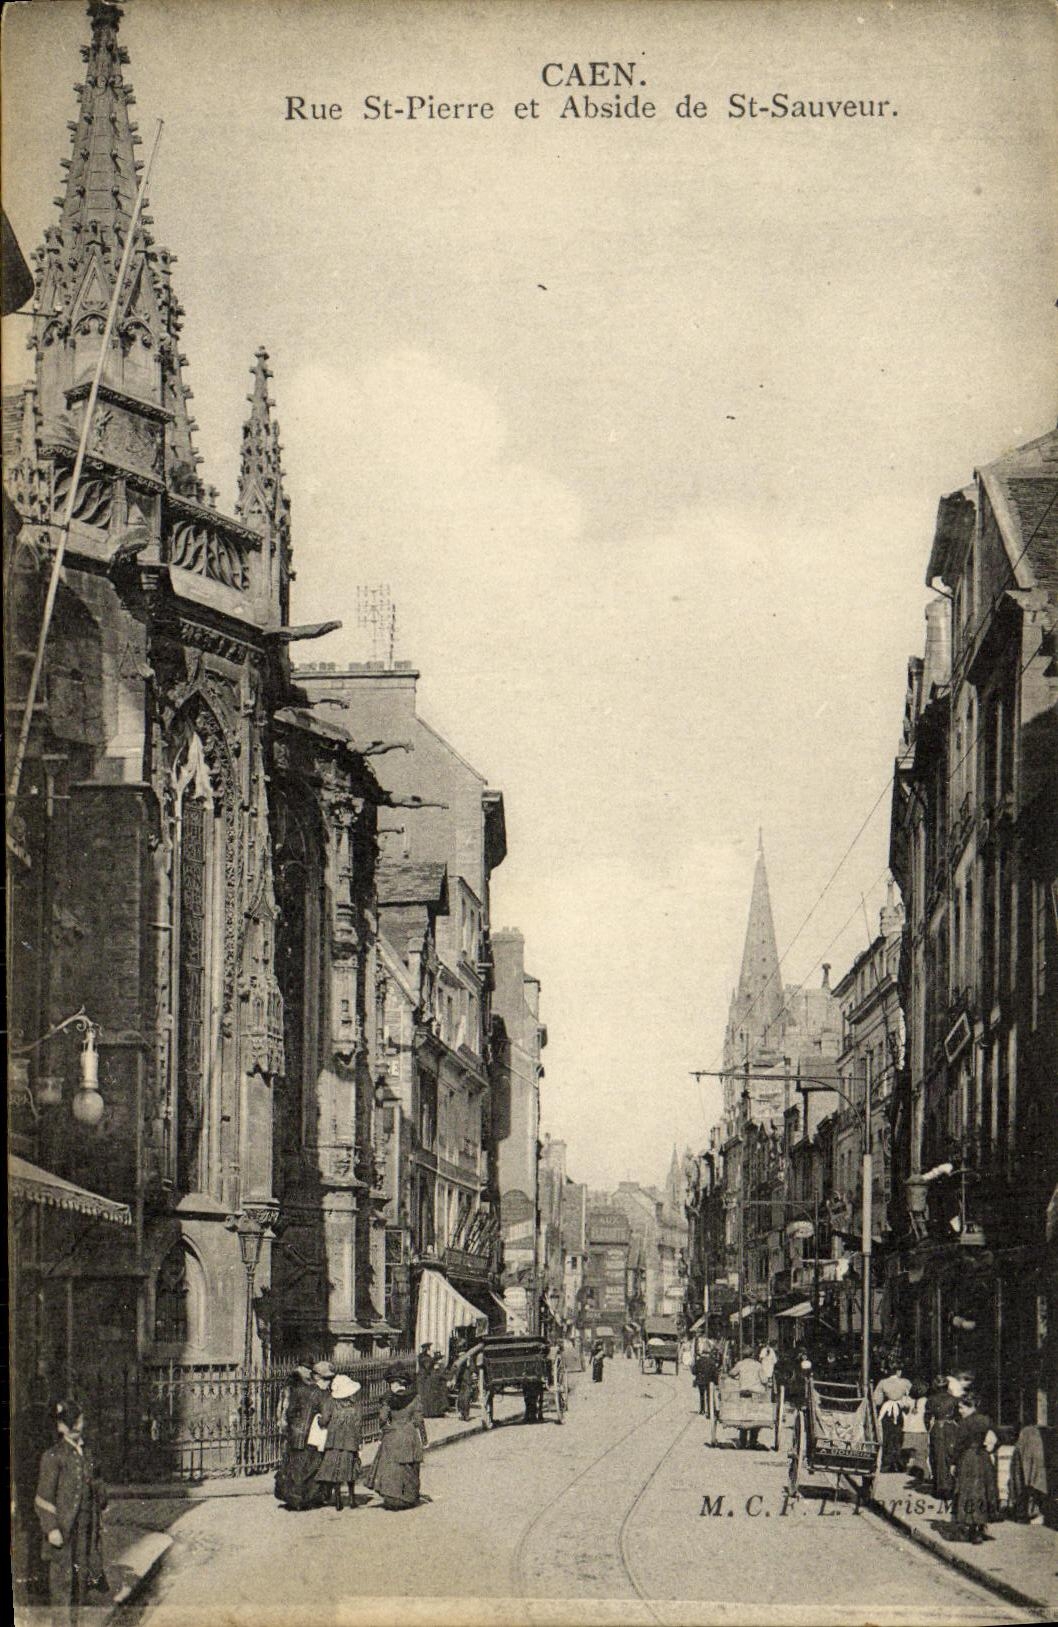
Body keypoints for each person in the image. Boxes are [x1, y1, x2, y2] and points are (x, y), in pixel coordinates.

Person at [35, 1398, 108, 1627]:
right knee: (62, 1584)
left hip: (84, 1530)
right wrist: (51, 1528)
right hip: (63, 1530)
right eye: (74, 1421)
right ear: (65, 1427)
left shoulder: (87, 1454)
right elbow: (43, 1498)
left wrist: (100, 1495)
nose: (78, 1425)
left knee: (79, 1582)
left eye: (78, 1421)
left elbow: (97, 1485)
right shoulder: (53, 1456)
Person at [366, 1367, 427, 1511]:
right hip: (409, 1434)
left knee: (391, 1467)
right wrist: (424, 1438)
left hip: (393, 1434)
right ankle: (409, 1496)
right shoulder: (415, 1398)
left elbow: (382, 1418)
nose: (391, 1386)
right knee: (409, 1466)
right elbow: (419, 1419)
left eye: (392, 1383)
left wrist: (385, 1427)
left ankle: (392, 1497)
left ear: (397, 1384)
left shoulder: (388, 1399)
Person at [950, 1392, 1000, 1544]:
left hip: (968, 1460)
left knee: (969, 1492)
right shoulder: (986, 1420)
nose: (960, 1411)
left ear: (970, 1406)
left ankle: (972, 1530)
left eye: (962, 1407)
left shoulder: (964, 1423)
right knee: (984, 1491)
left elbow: (959, 1445)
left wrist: (953, 1463)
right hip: (983, 1458)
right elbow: (999, 1438)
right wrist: (990, 1448)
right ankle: (981, 1527)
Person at [315, 1375, 363, 1511]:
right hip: (350, 1441)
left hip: (334, 1441)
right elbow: (358, 1425)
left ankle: (338, 1501)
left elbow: (324, 1420)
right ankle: (352, 1499)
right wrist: (359, 1442)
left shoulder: (330, 1402)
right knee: (350, 1470)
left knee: (335, 1471)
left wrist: (319, 1421)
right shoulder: (355, 1405)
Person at [873, 1357, 912, 1473]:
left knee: (887, 1436)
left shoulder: (883, 1383)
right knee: (899, 1436)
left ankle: (887, 1463)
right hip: (900, 1411)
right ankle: (899, 1463)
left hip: (887, 1411)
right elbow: (912, 1396)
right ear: (898, 1371)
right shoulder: (905, 1382)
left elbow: (877, 1400)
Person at [925, 1375, 960, 1507]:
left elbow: (927, 1417)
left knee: (936, 1456)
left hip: (937, 1428)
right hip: (951, 1428)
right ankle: (950, 1487)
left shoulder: (931, 1400)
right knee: (950, 1455)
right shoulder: (954, 1400)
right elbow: (958, 1416)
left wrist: (930, 1428)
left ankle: (939, 1487)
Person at [693, 1344, 718, 1417]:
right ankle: (709, 1411)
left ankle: (702, 1409)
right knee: (709, 1396)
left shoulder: (698, 1361)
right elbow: (715, 1372)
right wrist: (715, 1381)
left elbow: (694, 1371)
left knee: (701, 1395)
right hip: (709, 1381)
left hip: (700, 1380)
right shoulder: (712, 1362)